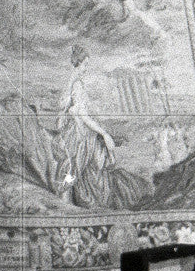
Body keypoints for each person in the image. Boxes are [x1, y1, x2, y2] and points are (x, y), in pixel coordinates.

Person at [53, 44, 152, 209]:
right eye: (85, 64)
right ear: (78, 64)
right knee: (77, 170)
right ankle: (67, 203)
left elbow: (77, 110)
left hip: (77, 133)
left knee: (80, 171)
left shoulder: (71, 84)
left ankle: (71, 200)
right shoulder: (77, 85)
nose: (86, 68)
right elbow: (83, 116)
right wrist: (104, 133)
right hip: (81, 137)